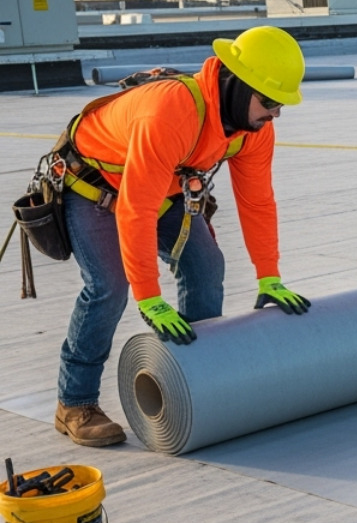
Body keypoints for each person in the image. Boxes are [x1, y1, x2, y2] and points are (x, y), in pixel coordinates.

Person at [54, 26, 312, 446]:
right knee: (110, 286)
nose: (275, 114)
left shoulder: (252, 131)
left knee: (206, 265)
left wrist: (270, 276)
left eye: (281, 104)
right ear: (235, 86)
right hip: (93, 186)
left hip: (160, 188)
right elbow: (135, 209)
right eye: (269, 102)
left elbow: (258, 203)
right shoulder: (172, 112)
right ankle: (75, 402)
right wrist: (149, 298)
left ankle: (191, 384)